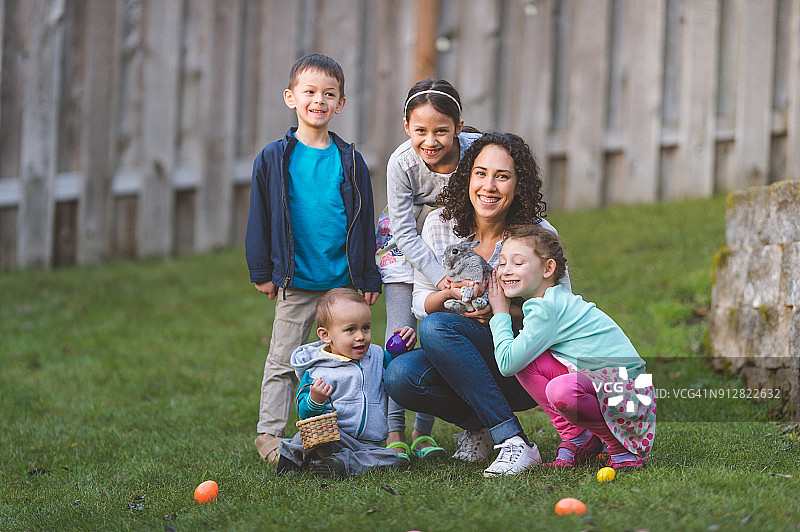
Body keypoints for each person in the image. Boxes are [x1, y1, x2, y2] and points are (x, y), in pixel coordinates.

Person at [384, 131, 571, 477]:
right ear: (467, 178)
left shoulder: (538, 234)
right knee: (401, 375)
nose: (489, 186)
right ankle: (482, 425)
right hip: (457, 352)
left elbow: (562, 309)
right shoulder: (440, 225)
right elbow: (421, 302)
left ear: (519, 185)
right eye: (481, 173)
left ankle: (512, 440)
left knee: (437, 328)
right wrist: (450, 294)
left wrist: (504, 310)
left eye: (502, 176)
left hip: (520, 362)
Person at [246, 54, 381, 464]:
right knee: (282, 360)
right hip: (296, 279)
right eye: (309, 92)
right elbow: (260, 217)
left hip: (342, 282)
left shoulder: (350, 159)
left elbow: (365, 222)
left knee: (346, 361)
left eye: (329, 94)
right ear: (291, 98)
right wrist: (262, 270)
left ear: (341, 103)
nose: (318, 100)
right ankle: (270, 437)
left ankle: (339, 434)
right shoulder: (274, 157)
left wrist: (368, 275)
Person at [487, 224, 656, 470]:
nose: (505, 271)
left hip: (628, 400)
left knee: (561, 390)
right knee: (527, 360)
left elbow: (506, 363)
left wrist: (500, 313)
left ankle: (620, 446)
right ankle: (578, 438)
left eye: (518, 262)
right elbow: (516, 360)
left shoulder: (547, 309)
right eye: (502, 263)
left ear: (548, 268)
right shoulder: (551, 302)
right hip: (622, 390)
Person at [376, 79, 482, 461]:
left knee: (436, 332)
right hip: (405, 247)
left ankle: (423, 433)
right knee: (399, 336)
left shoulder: (477, 150)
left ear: (458, 126)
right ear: (406, 126)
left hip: (451, 240)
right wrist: (439, 278)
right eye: (420, 130)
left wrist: (450, 277)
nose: (430, 141)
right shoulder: (401, 163)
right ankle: (393, 432)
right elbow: (404, 231)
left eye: (441, 131)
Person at [276, 288, 414, 478]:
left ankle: (339, 464)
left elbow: (396, 368)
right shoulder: (318, 369)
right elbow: (304, 413)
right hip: (330, 436)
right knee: (303, 437)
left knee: (391, 457)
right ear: (325, 335)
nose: (360, 336)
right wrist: (315, 400)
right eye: (350, 330)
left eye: (365, 327)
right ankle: (291, 459)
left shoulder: (377, 357)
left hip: (367, 444)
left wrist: (404, 343)